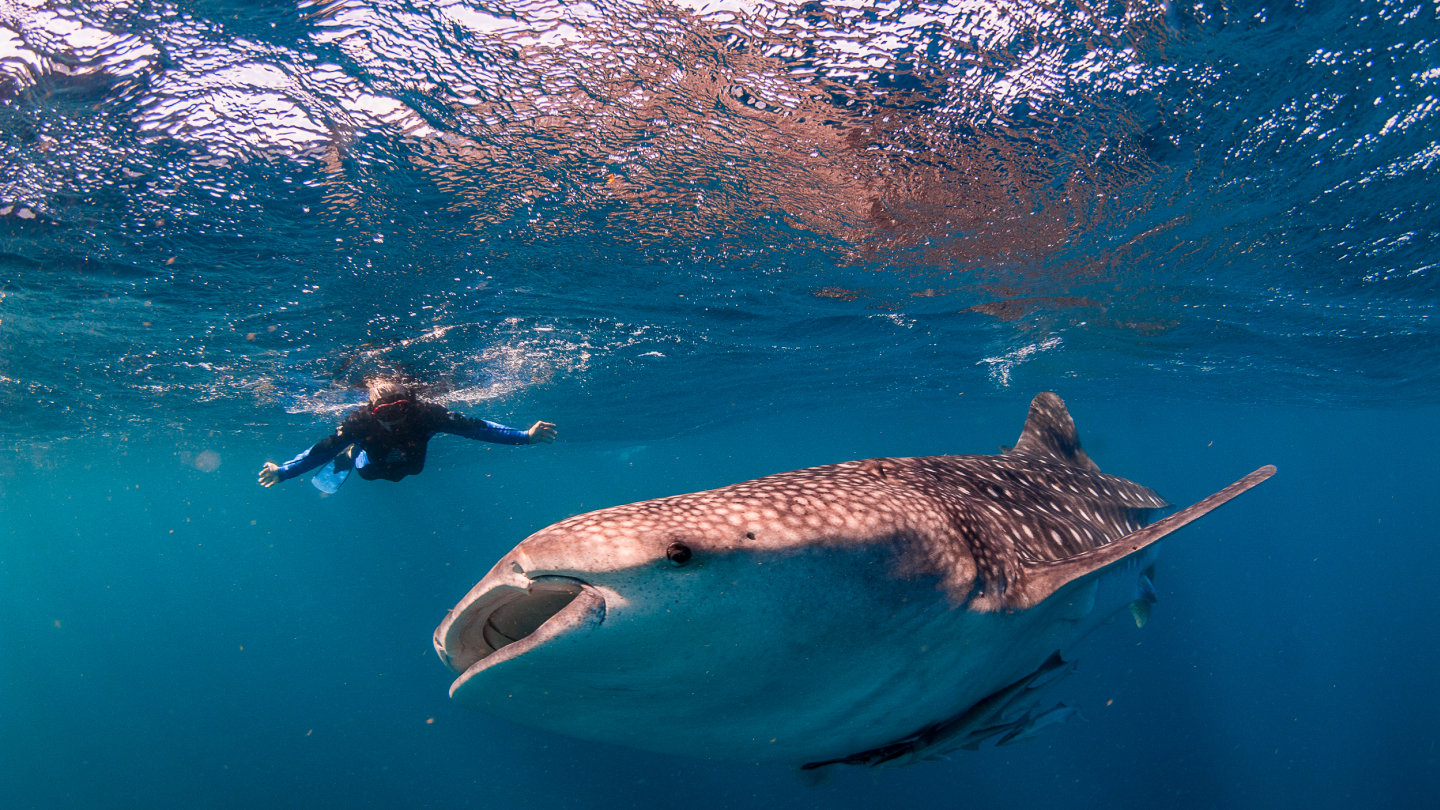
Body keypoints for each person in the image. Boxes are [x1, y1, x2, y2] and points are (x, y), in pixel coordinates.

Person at [258, 378, 557, 490]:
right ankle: (351, 454)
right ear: (372, 411)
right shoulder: (359, 423)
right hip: (371, 464)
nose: (396, 419)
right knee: (370, 472)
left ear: (411, 403)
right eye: (385, 415)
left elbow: (476, 428)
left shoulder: (426, 414)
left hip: (411, 463)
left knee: (412, 469)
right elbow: (319, 452)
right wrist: (284, 471)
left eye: (401, 409)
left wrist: (523, 436)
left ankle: (353, 452)